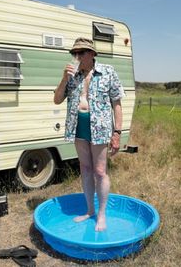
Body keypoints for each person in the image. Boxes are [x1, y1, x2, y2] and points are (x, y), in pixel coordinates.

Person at [54, 38, 124, 231]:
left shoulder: (107, 72)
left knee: (100, 172)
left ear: (92, 53)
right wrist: (64, 79)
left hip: (100, 129)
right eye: (74, 53)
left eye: (81, 52)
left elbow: (116, 105)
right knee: (85, 169)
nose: (77, 56)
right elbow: (57, 100)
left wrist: (117, 133)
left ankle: (102, 214)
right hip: (78, 128)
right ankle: (90, 210)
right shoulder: (73, 76)